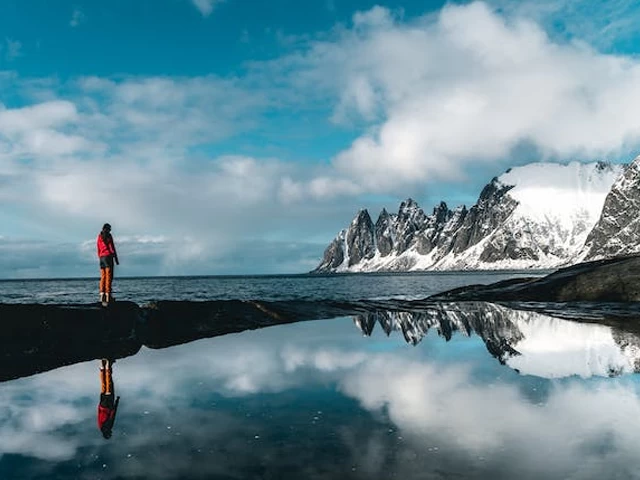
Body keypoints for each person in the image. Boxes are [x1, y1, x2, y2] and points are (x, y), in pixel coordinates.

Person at [97, 358, 120, 439]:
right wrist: (100, 404)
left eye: (110, 434)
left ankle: (107, 367)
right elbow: (99, 414)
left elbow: (112, 414)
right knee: (103, 385)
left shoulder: (108, 426)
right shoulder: (100, 427)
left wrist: (117, 401)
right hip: (102, 403)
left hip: (108, 404)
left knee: (109, 384)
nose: (111, 432)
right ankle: (102, 367)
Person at [97, 223, 119, 305]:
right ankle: (108, 296)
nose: (110, 230)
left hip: (101, 258)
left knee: (103, 277)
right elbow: (112, 247)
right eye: (110, 229)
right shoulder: (108, 235)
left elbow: (98, 247)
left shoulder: (99, 236)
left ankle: (102, 295)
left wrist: (100, 256)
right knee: (109, 277)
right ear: (107, 229)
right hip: (108, 257)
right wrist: (116, 258)